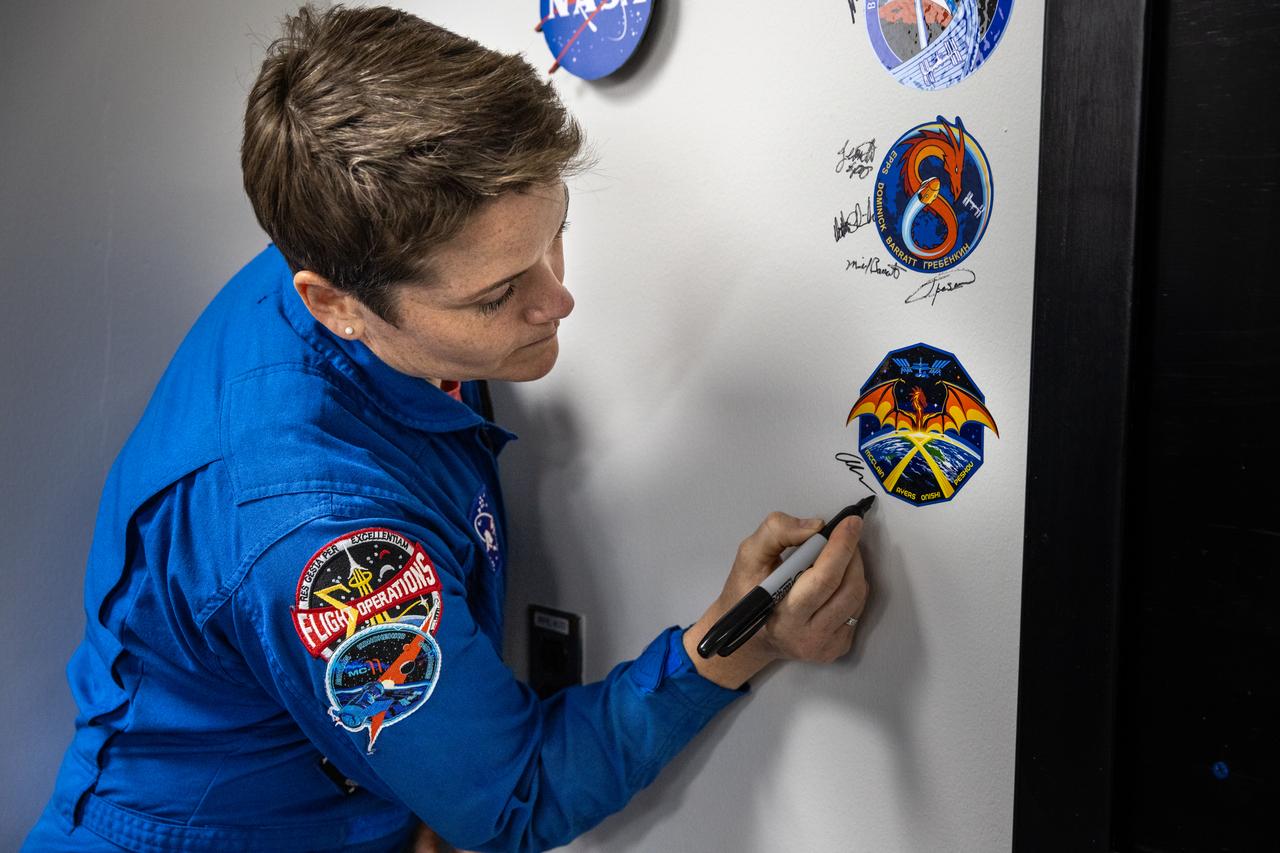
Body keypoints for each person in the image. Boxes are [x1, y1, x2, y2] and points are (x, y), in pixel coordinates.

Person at [24, 6, 869, 852]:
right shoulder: (323, 537)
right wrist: (736, 640)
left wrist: (432, 773)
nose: (558, 300)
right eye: (497, 295)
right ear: (336, 303)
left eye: (555, 235)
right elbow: (515, 800)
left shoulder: (345, 239)